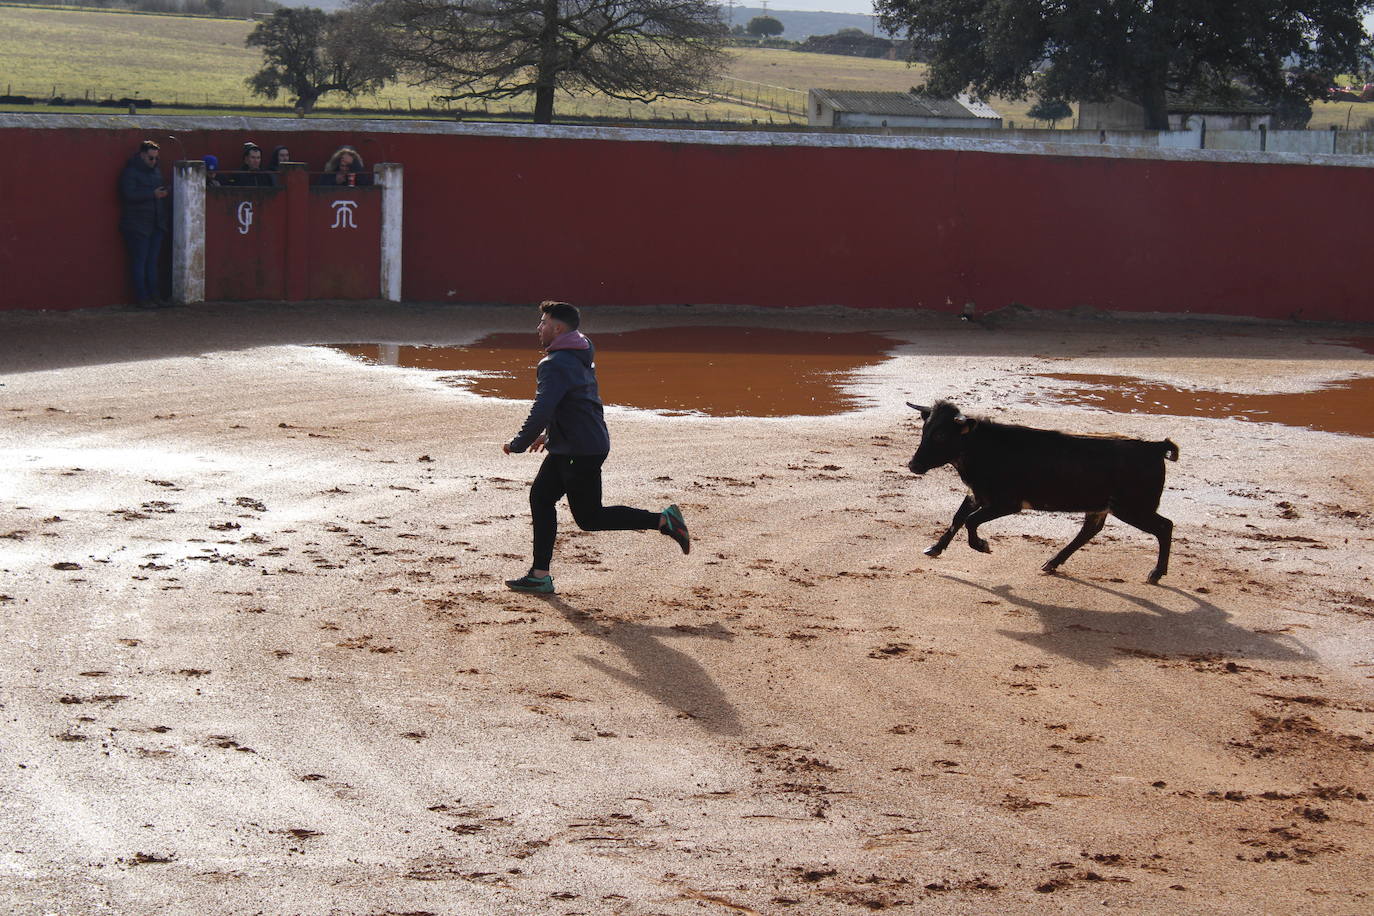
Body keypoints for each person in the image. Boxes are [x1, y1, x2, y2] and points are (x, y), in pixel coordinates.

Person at [502, 300, 690, 594]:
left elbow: (543, 407)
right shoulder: (580, 349)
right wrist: (550, 435)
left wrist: (519, 442)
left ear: (558, 327)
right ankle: (540, 574)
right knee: (541, 498)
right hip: (576, 444)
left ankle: (663, 520)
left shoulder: (555, 364)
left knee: (590, 518)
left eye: (543, 323)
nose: (538, 329)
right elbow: (571, 403)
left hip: (579, 450)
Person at [117, 140, 171, 309]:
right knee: (142, 262)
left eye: (155, 158)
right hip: (138, 224)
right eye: (150, 158)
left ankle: (153, 296)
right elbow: (128, 194)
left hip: (154, 223)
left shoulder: (154, 171)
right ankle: (144, 297)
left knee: (150, 262)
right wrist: (152, 194)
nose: (153, 161)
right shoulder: (131, 172)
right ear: (142, 155)